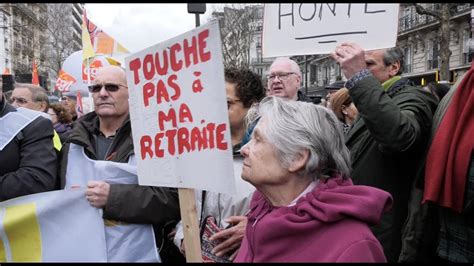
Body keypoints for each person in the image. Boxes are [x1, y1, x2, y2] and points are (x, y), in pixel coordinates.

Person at [235, 96, 392, 262]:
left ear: (297, 158)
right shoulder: (260, 213)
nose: (244, 149)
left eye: (258, 140)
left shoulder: (354, 246)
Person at [57, 66, 181, 262]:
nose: (103, 94)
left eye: (112, 87)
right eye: (96, 88)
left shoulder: (156, 139)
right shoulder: (70, 142)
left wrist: (113, 197)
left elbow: (173, 200)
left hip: (138, 255)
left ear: (131, 92)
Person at [330, 43, 438, 262]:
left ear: (394, 67)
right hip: (365, 219)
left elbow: (399, 136)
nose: (358, 67)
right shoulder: (374, 99)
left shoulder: (413, 98)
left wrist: (360, 78)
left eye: (367, 64)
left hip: (386, 226)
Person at [173, 68, 265, 261]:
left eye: (226, 103)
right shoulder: (198, 152)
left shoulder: (270, 153)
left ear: (252, 106)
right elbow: (189, 208)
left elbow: (289, 207)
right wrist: (184, 239)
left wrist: (254, 227)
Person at [0, 77, 58, 201]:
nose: (15, 104)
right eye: (13, 100)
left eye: (21, 100)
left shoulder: (37, 125)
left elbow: (38, 179)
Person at [10, 83, 62, 151]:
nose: (13, 105)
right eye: (12, 100)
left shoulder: (45, 134)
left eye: (21, 101)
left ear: (41, 106)